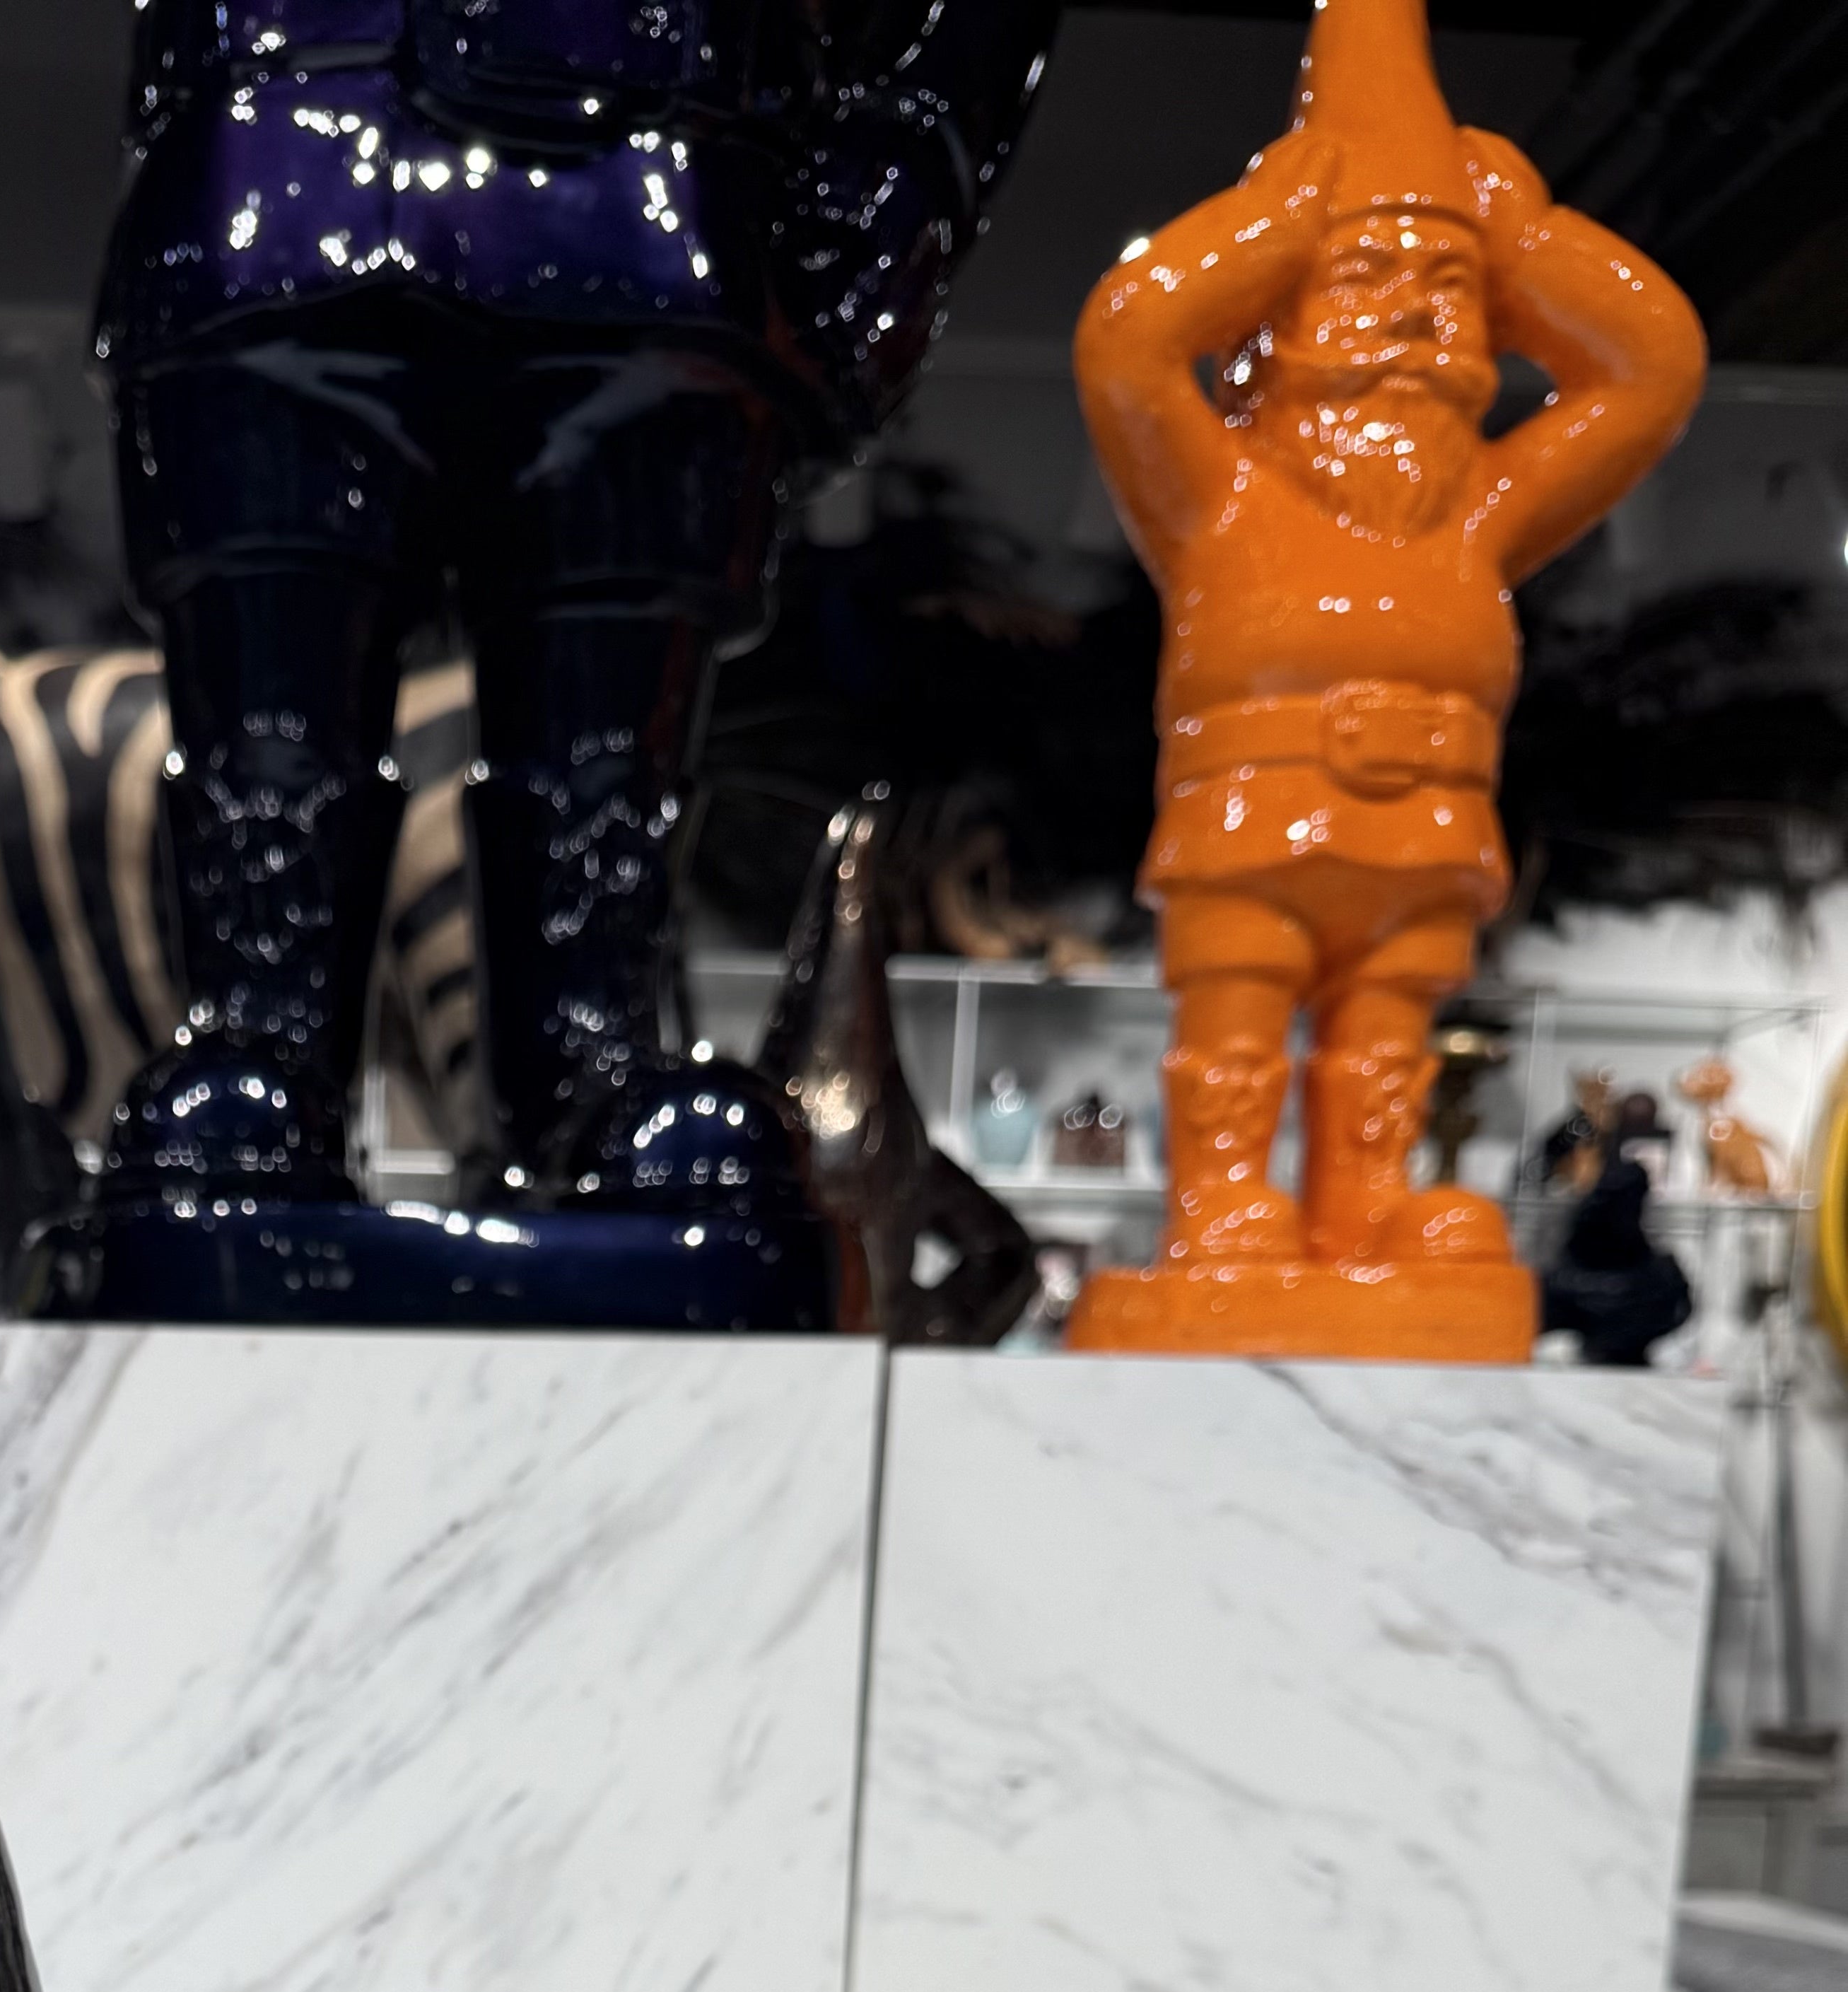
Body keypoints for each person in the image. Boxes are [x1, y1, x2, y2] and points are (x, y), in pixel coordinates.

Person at [94, 0, 1063, 1222]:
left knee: (601, 751)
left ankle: (578, 1077)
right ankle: (270, 1045)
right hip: (279, 173)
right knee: (273, 740)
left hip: (648, 199)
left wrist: (911, 162)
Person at [1068, 0, 1702, 1356]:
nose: (1415, 314)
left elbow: (1654, 369)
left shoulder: (1484, 510)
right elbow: (1128, 340)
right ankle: (1223, 1202)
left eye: (1450, 289)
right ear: (1277, 317)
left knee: (1387, 1038)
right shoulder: (1220, 496)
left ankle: (1363, 1217)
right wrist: (1273, 230)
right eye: (1367, 279)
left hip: (1428, 819)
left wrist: (1520, 238)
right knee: (1238, 1016)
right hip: (1254, 810)